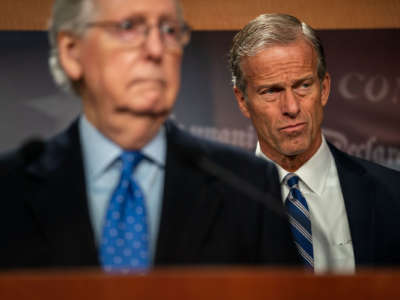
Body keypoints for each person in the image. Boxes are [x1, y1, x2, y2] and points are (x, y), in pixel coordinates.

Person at [0, 1, 300, 270]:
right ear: (71, 52)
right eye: (129, 27)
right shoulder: (9, 188)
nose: (157, 49)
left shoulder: (248, 185)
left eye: (170, 30)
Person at [229, 13, 400, 273]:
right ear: (242, 100)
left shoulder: (393, 195)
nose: (291, 107)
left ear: (325, 88)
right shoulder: (212, 205)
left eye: (303, 85)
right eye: (271, 91)